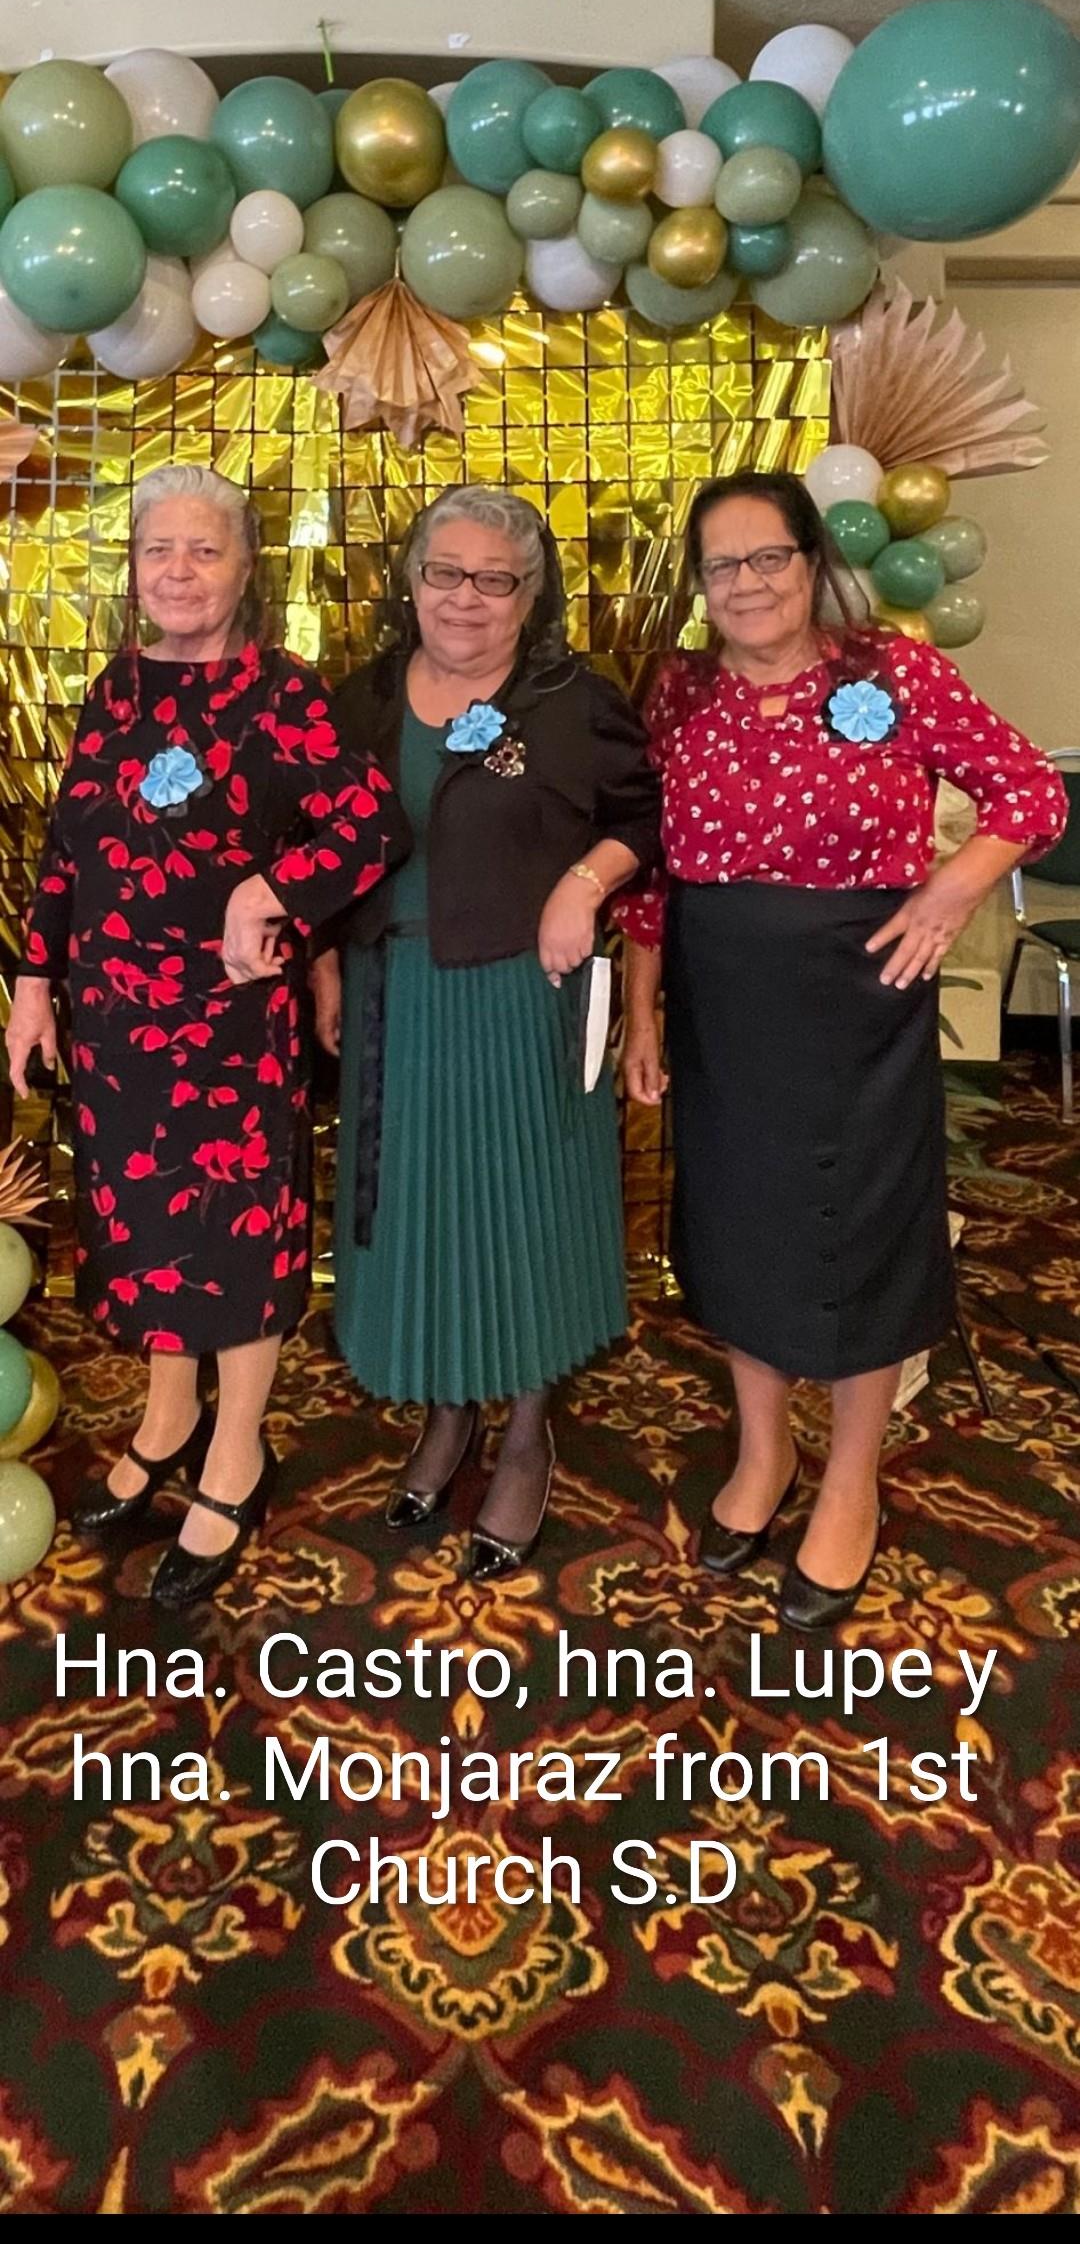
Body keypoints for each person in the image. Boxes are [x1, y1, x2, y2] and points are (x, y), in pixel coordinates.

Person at [620, 469, 1067, 1630]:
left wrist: (950, 889)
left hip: (860, 998)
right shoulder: (677, 691)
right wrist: (643, 1009)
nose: (749, 583)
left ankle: (852, 1476)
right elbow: (653, 875)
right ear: (703, 585)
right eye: (724, 565)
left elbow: (1029, 792)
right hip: (724, 996)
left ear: (813, 560)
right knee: (737, 1227)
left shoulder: (890, 670)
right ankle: (763, 1455)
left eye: (769, 556)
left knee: (863, 1229)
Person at [6, 464, 408, 1609]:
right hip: (116, 1019)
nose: (178, 572)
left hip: (231, 1024)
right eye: (157, 551)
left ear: (244, 569)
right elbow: (68, 847)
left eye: (203, 550)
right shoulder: (112, 688)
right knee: (140, 1226)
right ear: (134, 571)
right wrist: (35, 981)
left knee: (233, 1237)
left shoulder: (280, 692)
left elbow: (372, 823)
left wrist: (274, 888)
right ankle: (167, 1413)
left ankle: (237, 1450)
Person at [312, 485, 660, 1579]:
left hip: (523, 987)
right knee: (421, 1208)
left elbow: (642, 817)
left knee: (522, 1207)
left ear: (531, 590)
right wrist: (324, 958)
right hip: (390, 992)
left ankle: (524, 1426)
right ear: (410, 580)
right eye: (444, 572)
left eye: (495, 577)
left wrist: (582, 881)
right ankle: (449, 1408)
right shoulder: (359, 698)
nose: (466, 597)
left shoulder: (571, 698)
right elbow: (312, 835)